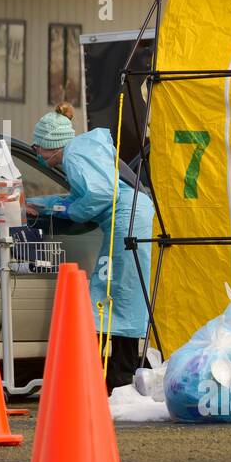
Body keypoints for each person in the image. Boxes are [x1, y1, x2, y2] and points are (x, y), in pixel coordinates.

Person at [27, 103, 154, 393]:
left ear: (50, 144)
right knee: (119, 293)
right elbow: (83, 194)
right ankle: (118, 372)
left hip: (127, 222)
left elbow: (99, 194)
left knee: (113, 292)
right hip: (131, 217)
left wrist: (70, 214)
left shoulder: (74, 156)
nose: (37, 154)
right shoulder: (81, 150)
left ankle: (116, 378)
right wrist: (43, 205)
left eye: (37, 148)